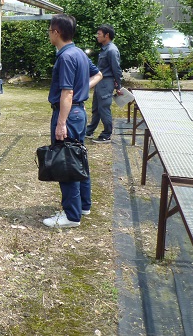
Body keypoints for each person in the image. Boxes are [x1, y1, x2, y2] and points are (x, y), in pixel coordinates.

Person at [43, 14, 102, 228]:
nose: (49, 34)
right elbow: (99, 75)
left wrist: (61, 123)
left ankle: (71, 216)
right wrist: (83, 89)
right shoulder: (78, 53)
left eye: (50, 30)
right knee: (78, 159)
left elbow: (66, 93)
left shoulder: (66, 57)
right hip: (79, 113)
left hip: (69, 114)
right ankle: (83, 205)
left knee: (66, 162)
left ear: (56, 32)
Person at [86, 24, 123, 143]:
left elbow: (116, 69)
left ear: (106, 35)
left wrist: (118, 85)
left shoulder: (112, 50)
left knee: (104, 108)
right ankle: (89, 131)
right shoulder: (105, 49)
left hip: (106, 83)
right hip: (100, 82)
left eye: (99, 34)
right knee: (96, 108)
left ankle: (106, 134)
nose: (97, 36)